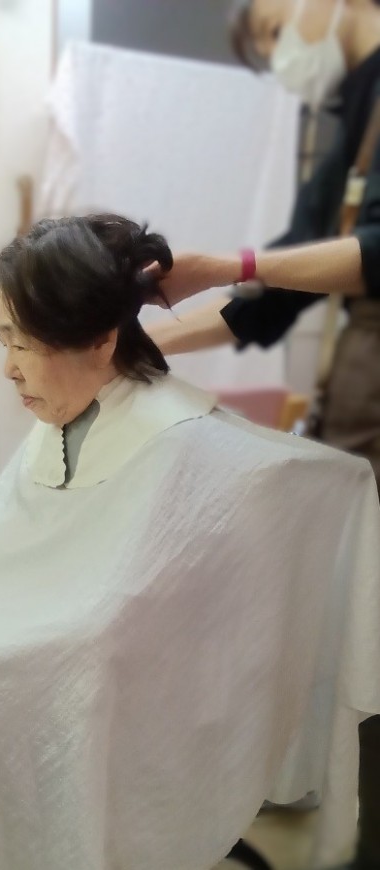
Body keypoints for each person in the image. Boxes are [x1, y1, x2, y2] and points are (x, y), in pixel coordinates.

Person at [0, 215, 377, 870]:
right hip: (14, 611)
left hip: (75, 659)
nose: (8, 369)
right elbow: (16, 531)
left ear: (98, 342)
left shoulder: (182, 442)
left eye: (22, 343)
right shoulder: (71, 408)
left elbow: (117, 610)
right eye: (3, 340)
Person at [145, 4, 380, 868]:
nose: (281, 55)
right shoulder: (354, 108)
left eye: (277, 28)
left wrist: (230, 265)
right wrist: (141, 343)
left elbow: (364, 253)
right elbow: (276, 291)